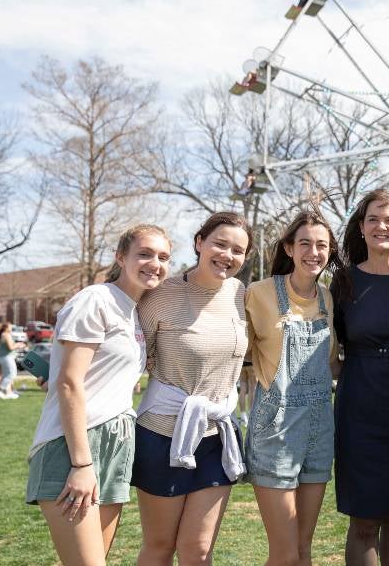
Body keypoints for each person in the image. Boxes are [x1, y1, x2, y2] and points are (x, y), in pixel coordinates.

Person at [26, 224, 172, 566]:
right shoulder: (95, 300)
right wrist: (81, 463)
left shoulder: (135, 310)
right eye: (145, 254)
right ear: (121, 257)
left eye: (163, 257)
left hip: (118, 442)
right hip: (74, 445)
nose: (155, 263)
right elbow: (69, 383)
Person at [131, 212, 251, 566]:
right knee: (160, 546)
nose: (227, 255)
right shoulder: (160, 294)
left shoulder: (240, 294)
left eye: (238, 250)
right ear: (200, 242)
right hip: (162, 433)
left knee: (198, 551)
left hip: (217, 437)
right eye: (220, 244)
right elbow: (130, 354)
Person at [330, 190, 389, 566]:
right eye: (373, 219)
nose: (381, 226)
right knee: (364, 523)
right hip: (360, 411)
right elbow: (333, 345)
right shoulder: (344, 283)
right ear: (361, 227)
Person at [244, 209, 342, 566]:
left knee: (303, 551)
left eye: (321, 245)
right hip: (277, 430)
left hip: (319, 429)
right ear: (288, 247)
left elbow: (332, 362)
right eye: (304, 244)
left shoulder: (328, 299)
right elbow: (233, 350)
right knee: (284, 555)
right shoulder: (259, 293)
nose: (313, 252)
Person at [0, 322, 25, 399]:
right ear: (6, 328)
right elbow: (11, 347)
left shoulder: (0, 335)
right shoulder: (6, 335)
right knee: (12, 374)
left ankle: (8, 393)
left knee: (5, 375)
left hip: (1, 357)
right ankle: (0, 390)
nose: (11, 328)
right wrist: (18, 345)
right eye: (10, 327)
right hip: (7, 357)